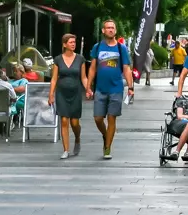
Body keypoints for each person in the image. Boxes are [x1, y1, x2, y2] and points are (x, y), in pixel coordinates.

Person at [87, 19, 133, 159]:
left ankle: (107, 148)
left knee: (112, 118)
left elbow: (126, 68)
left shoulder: (121, 48)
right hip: (100, 88)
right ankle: (106, 135)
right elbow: (93, 67)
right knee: (98, 118)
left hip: (116, 89)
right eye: (108, 28)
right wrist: (88, 86)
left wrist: (131, 87)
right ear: (103, 30)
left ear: (115, 30)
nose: (110, 30)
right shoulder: (97, 47)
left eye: (112, 28)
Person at [49, 34, 88, 159]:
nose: (73, 44)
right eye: (70, 42)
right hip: (61, 92)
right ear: (64, 44)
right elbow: (54, 78)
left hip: (75, 92)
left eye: (74, 42)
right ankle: (66, 150)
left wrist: (88, 89)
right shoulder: (58, 60)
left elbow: (83, 77)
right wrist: (51, 94)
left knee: (75, 122)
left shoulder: (80, 59)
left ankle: (77, 138)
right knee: (64, 120)